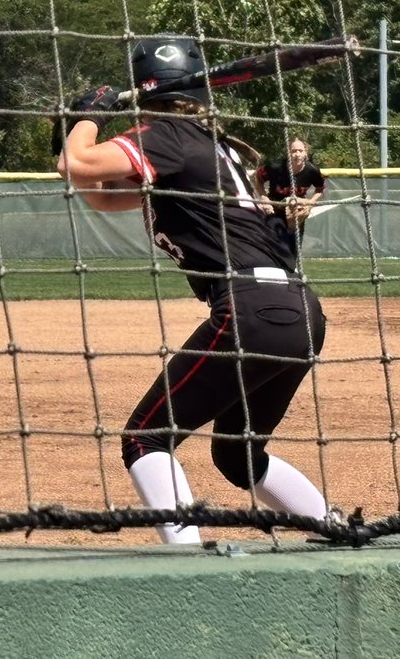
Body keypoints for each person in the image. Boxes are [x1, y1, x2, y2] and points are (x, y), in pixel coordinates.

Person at [55, 35, 328, 544]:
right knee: (238, 453)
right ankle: (331, 529)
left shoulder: (167, 136)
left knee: (145, 438)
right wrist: (76, 134)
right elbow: (98, 194)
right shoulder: (205, 148)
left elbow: (80, 164)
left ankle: (187, 563)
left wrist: (87, 121)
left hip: (249, 312)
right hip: (301, 315)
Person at [255, 138, 326, 258]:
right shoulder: (275, 166)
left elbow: (320, 189)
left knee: (293, 250)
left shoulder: (312, 170)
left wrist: (310, 202)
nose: (297, 154)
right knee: (274, 249)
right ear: (288, 152)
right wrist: (264, 198)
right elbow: (257, 179)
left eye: (300, 150)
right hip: (275, 210)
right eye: (293, 151)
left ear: (305, 152)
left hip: (296, 212)